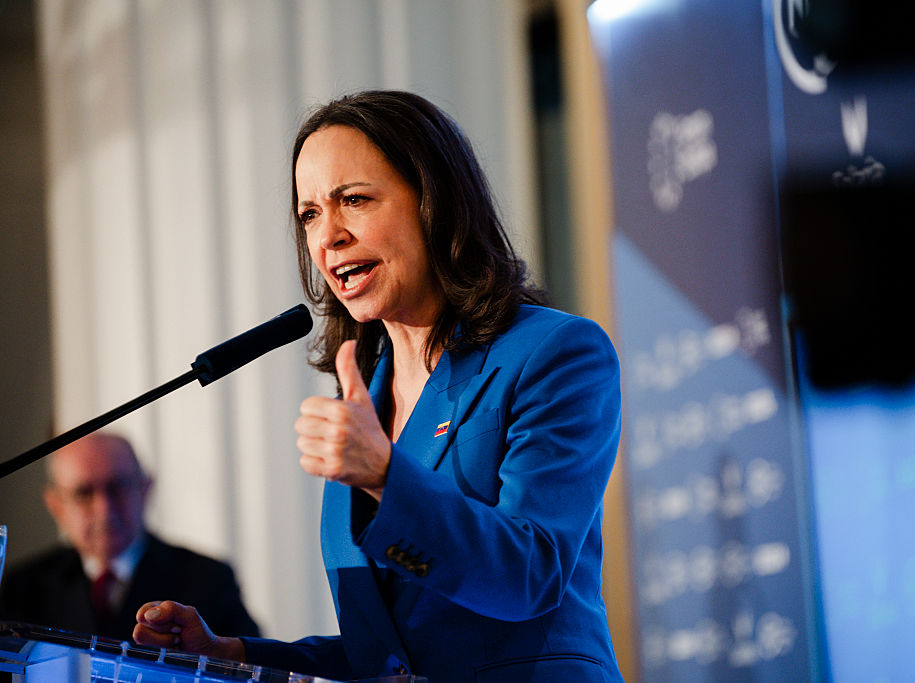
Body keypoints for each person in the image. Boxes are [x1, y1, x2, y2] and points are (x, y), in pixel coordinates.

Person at [133, 90, 624, 682]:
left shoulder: (553, 353)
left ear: (435, 204)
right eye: (310, 213)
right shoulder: (365, 398)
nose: (328, 236)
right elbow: (392, 655)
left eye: (355, 200)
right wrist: (234, 656)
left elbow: (530, 575)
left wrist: (383, 474)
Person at [0, 432, 260, 641]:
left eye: (118, 487)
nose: (104, 509)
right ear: (56, 506)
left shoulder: (209, 579)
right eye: (84, 493)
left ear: (145, 489)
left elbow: (250, 670)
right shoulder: (23, 587)